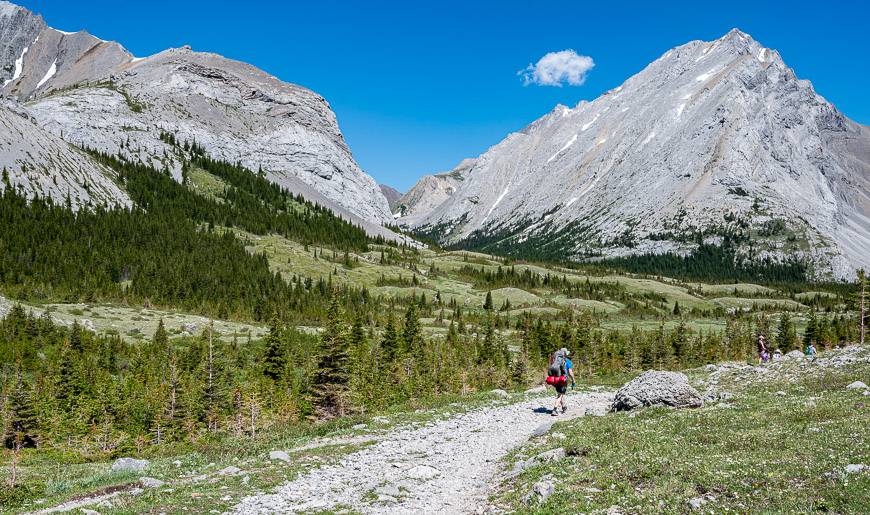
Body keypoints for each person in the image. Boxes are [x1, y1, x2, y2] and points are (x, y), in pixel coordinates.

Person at [545, 348, 572, 416]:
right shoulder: (566, 361)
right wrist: (573, 380)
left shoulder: (555, 360)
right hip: (562, 379)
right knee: (560, 395)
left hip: (554, 379)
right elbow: (570, 372)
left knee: (561, 393)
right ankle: (554, 409)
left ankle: (564, 407)